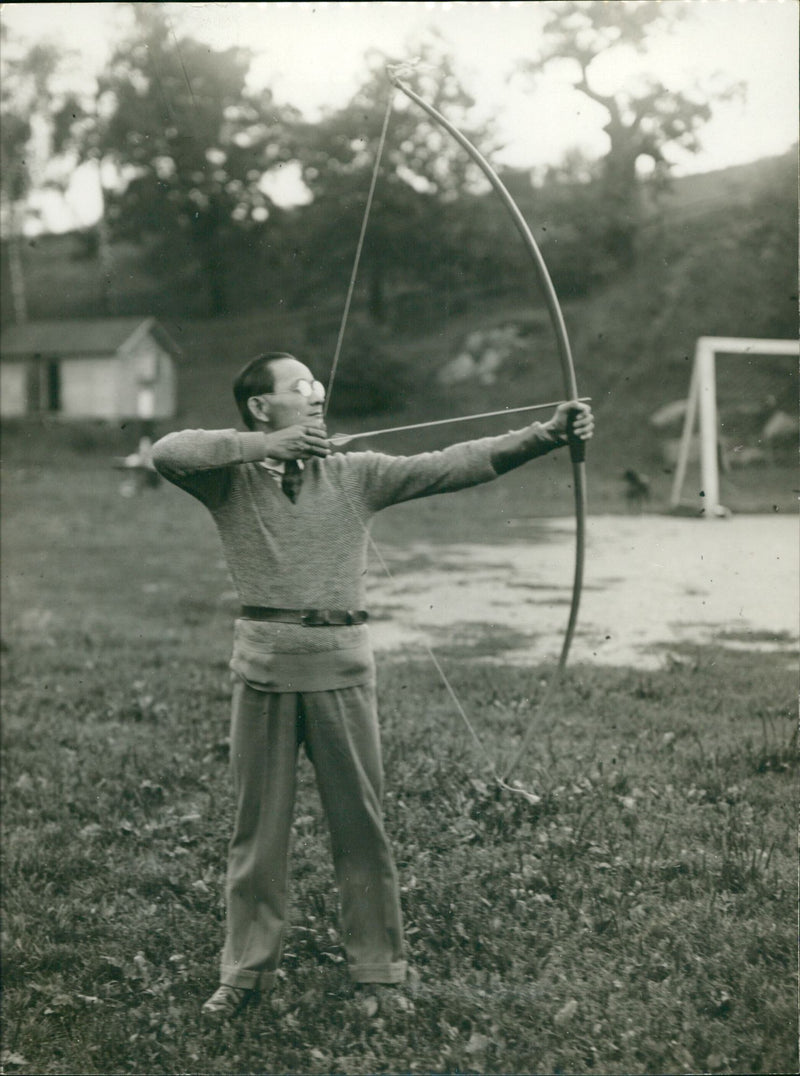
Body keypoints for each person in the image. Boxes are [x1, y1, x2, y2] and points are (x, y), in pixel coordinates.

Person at [151, 350, 594, 1020]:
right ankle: (244, 972)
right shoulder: (230, 479)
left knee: (361, 829)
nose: (318, 396)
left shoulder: (355, 474)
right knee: (256, 832)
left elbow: (453, 462)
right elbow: (168, 451)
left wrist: (548, 432)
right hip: (265, 669)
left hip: (341, 668)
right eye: (301, 388)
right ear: (260, 407)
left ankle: (379, 974)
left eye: (320, 387)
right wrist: (261, 447)